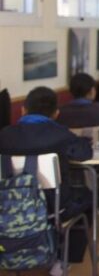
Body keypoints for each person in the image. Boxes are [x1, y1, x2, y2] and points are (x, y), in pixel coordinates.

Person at [0, 87, 93, 263]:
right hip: (54, 208)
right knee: (88, 195)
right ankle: (65, 258)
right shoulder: (60, 134)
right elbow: (84, 153)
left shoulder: (4, 135)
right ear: (56, 113)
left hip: (7, 208)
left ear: (23, 109)